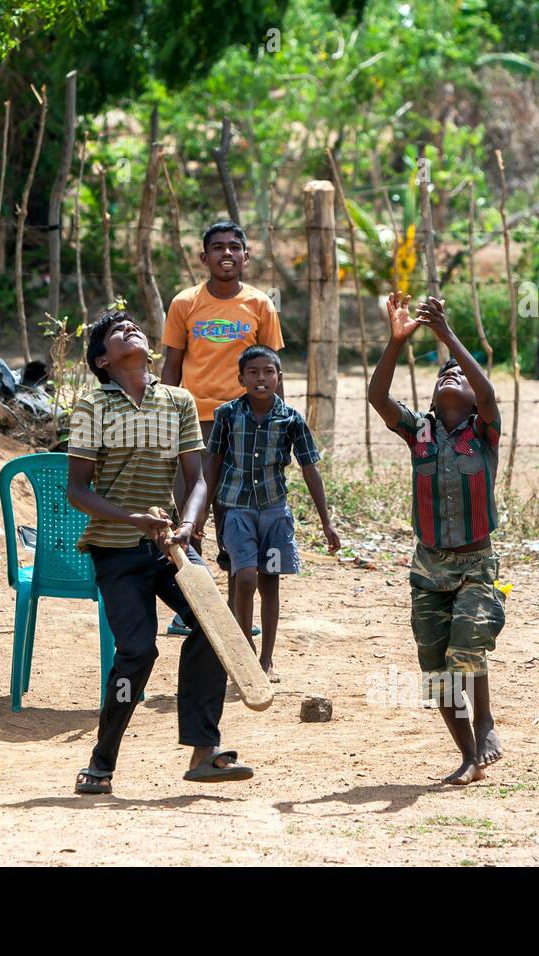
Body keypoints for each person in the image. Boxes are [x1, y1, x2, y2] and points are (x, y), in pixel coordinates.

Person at [67, 308, 254, 795]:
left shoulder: (178, 401)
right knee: (137, 652)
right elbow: (78, 491)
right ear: (103, 361)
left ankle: (203, 751)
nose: (130, 331)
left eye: (133, 327)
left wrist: (189, 525)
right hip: (115, 549)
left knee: (215, 628)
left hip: (170, 547)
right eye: (115, 332)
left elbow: (197, 481)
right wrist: (134, 520)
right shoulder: (93, 406)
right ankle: (102, 761)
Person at [367, 292, 506, 785]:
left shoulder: (484, 431)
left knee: (467, 644)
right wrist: (395, 342)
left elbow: (488, 394)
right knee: (436, 668)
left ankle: (486, 721)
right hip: (428, 566)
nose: (452, 374)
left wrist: (446, 334)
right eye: (443, 372)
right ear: (429, 399)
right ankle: (468, 755)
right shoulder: (420, 431)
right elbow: (378, 399)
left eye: (462, 375)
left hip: (475, 563)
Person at [160, 219, 284, 634]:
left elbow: (271, 369)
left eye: (234, 247)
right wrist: (162, 418)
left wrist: (276, 425)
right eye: (217, 248)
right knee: (188, 518)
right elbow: (172, 367)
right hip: (193, 425)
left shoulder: (261, 305)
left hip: (244, 427)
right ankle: (192, 609)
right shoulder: (184, 304)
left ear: (246, 257)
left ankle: (235, 615)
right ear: (204, 257)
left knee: (238, 518)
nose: (226, 254)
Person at [201, 345, 340, 682]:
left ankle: (266, 660)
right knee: (244, 576)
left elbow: (310, 469)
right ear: (241, 378)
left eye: (268, 372)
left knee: (270, 583)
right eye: (253, 372)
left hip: (275, 514)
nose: (260, 378)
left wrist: (326, 522)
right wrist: (201, 514)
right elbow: (213, 464)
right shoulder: (227, 415)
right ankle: (245, 649)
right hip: (236, 511)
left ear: (278, 378)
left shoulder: (291, 419)